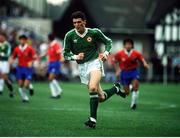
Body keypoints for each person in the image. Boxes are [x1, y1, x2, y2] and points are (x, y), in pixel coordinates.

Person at [63, 11, 125, 128]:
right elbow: (65, 54)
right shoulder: (69, 35)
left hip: (95, 63)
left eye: (79, 22)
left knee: (92, 88)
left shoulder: (94, 32)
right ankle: (116, 89)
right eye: (74, 23)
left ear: (84, 22)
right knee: (100, 97)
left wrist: (106, 53)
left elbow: (109, 42)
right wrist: (75, 57)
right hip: (82, 67)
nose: (77, 25)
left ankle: (92, 120)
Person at [114, 38, 149, 110]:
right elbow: (115, 61)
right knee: (126, 93)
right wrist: (117, 70)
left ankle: (133, 104)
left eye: (129, 44)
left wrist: (145, 64)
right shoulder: (120, 53)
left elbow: (142, 59)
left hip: (134, 72)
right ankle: (125, 89)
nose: (128, 46)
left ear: (132, 45)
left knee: (135, 87)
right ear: (124, 45)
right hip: (124, 73)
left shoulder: (136, 53)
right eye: (126, 44)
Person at [9, 34, 36, 102]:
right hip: (19, 68)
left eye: (23, 40)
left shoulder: (29, 48)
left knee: (25, 84)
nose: (22, 41)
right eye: (21, 40)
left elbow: (34, 56)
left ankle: (28, 91)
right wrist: (10, 63)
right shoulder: (17, 49)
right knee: (20, 84)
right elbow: (13, 57)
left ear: (26, 40)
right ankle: (26, 95)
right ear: (19, 40)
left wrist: (32, 61)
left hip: (27, 68)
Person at [47, 33, 63, 98]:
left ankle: (59, 90)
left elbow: (59, 52)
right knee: (51, 79)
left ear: (49, 38)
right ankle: (55, 94)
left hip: (55, 63)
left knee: (50, 78)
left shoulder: (56, 44)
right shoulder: (51, 45)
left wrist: (61, 57)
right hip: (51, 63)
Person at [0, 32, 14, 97]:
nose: (0, 38)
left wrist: (1, 54)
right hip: (0, 61)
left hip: (5, 62)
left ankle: (11, 90)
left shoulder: (7, 45)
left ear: (4, 37)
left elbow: (8, 54)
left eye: (1, 37)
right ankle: (1, 90)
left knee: (5, 78)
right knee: (1, 75)